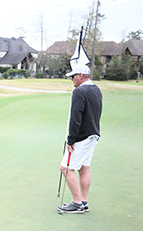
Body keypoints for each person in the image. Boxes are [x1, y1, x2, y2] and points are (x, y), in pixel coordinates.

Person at [58, 64, 102, 214]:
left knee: (66, 168)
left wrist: (71, 141)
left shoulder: (79, 92)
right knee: (84, 168)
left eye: (73, 76)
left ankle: (77, 203)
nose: (72, 80)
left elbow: (76, 118)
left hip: (82, 137)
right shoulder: (96, 89)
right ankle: (84, 201)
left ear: (80, 75)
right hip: (93, 135)